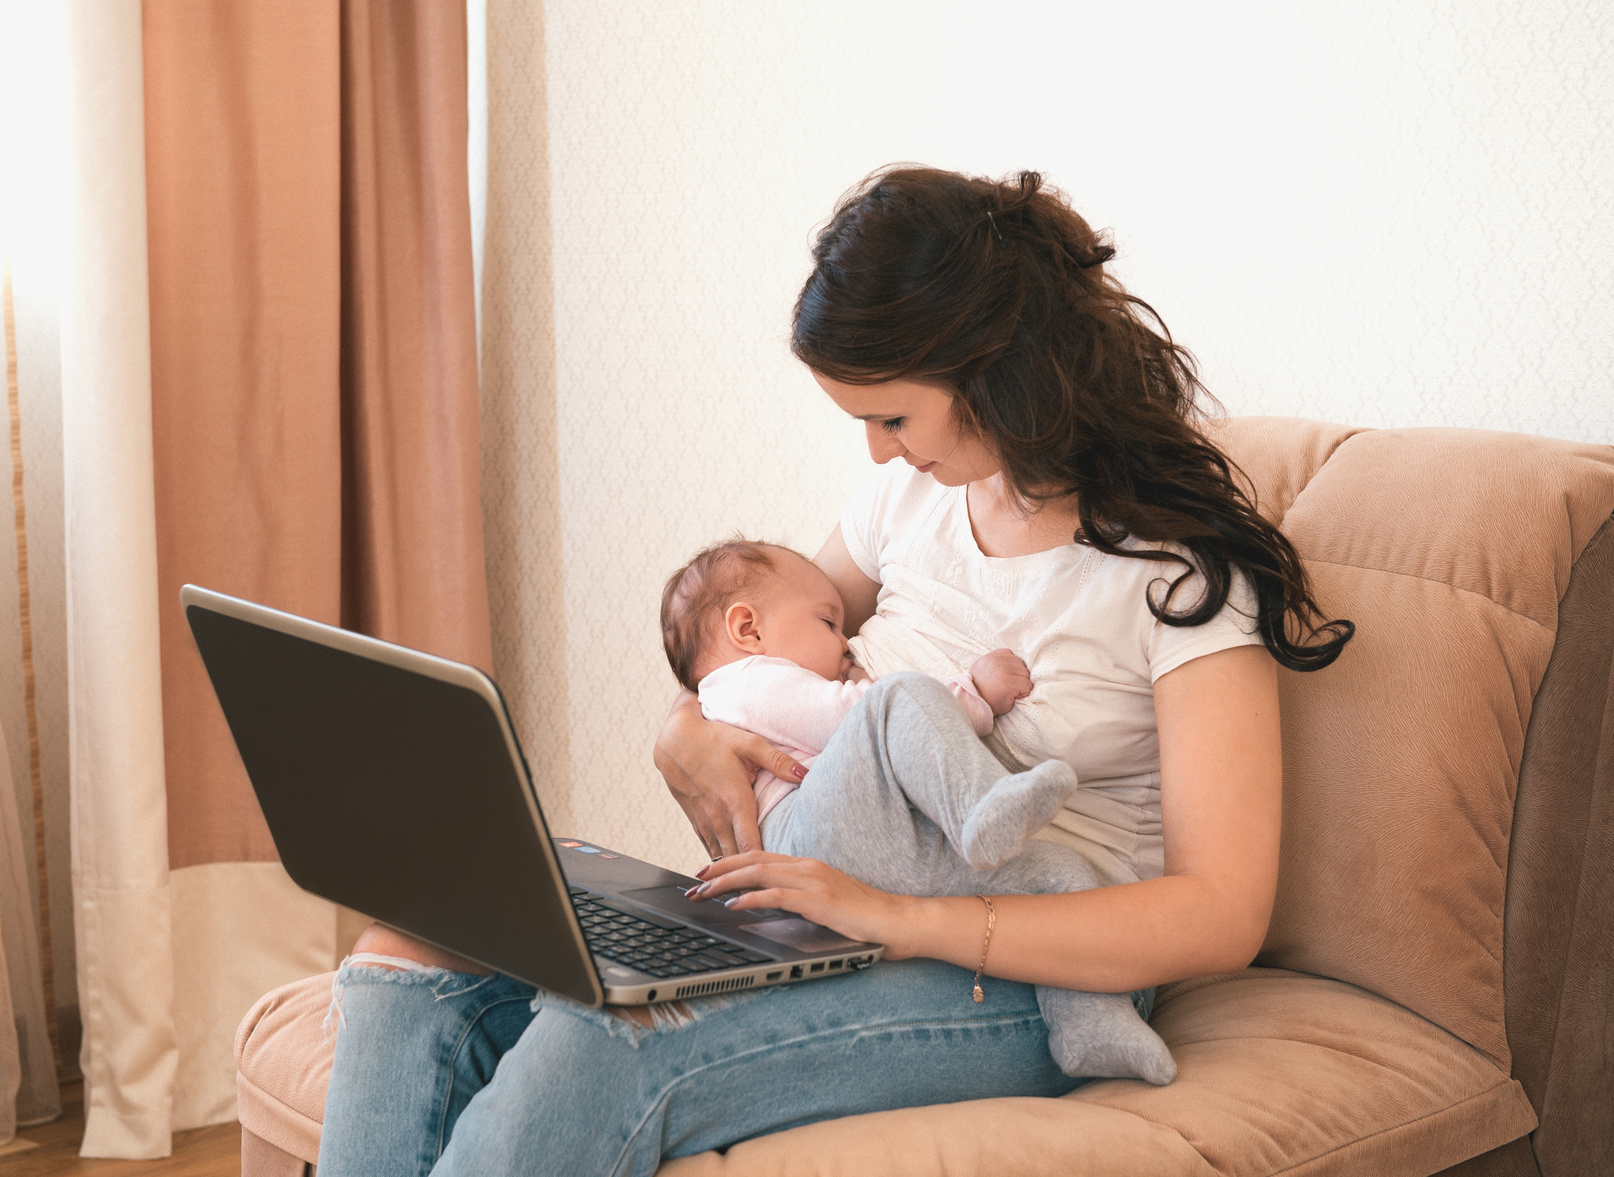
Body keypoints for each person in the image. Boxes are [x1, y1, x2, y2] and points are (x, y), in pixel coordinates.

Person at [316, 166, 1352, 1177]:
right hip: (815, 911)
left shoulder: (1179, 580)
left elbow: (1221, 912)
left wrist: (898, 918)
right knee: (410, 954)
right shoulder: (912, 503)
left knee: (613, 1041)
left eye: (893, 417)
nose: (874, 453)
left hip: (1022, 978)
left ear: (997, 371)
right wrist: (687, 727)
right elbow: (756, 646)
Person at [660, 536, 1178, 1082]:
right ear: (748, 630)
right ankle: (980, 810)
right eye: (829, 623)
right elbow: (848, 720)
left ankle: (1090, 1027)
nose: (846, 645)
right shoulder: (745, 682)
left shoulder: (749, 680)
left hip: (872, 850)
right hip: (803, 837)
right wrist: (971, 691)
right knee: (895, 698)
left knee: (1058, 874)